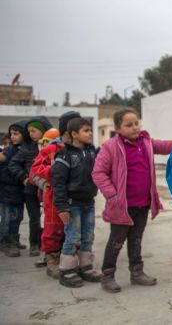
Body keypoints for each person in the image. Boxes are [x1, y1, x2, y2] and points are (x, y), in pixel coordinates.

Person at [92, 107, 172, 293]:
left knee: (136, 240)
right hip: (121, 207)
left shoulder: (145, 142)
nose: (134, 127)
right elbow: (98, 173)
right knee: (116, 242)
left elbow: (165, 146)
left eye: (136, 123)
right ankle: (107, 276)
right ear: (118, 128)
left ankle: (137, 273)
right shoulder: (110, 147)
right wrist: (112, 195)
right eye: (128, 125)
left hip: (142, 204)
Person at [51, 118, 102, 288]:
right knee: (72, 237)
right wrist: (62, 207)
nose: (90, 134)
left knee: (87, 236)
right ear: (74, 134)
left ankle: (85, 266)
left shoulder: (92, 152)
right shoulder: (64, 155)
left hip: (89, 203)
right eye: (86, 131)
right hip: (72, 205)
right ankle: (66, 270)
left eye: (90, 130)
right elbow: (58, 183)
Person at [30, 111, 81, 279]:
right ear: (67, 132)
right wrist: (55, 170)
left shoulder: (81, 150)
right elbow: (34, 171)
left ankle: (71, 256)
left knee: (74, 228)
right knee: (53, 228)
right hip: (53, 197)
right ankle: (52, 258)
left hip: (76, 197)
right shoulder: (50, 149)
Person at [8, 116, 53, 256]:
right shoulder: (26, 148)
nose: (30, 134)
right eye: (29, 131)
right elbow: (13, 164)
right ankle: (34, 244)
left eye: (34, 131)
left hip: (49, 188)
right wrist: (23, 177)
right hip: (31, 189)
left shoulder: (52, 145)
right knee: (34, 217)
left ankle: (51, 245)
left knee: (50, 218)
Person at [0, 122, 27, 257]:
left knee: (17, 217)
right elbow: (2, 158)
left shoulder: (23, 149)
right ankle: (4, 242)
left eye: (16, 134)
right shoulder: (10, 149)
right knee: (6, 218)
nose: (12, 136)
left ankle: (13, 239)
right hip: (6, 191)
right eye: (11, 134)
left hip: (18, 192)